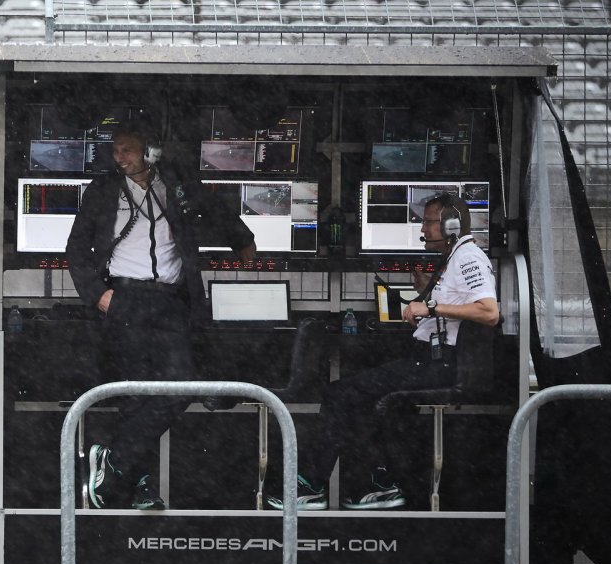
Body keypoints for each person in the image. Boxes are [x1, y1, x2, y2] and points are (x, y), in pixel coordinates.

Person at [65, 118, 256, 510]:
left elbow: (212, 207)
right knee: (138, 395)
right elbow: (76, 249)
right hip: (125, 299)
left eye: (128, 150)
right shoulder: (103, 191)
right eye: (115, 150)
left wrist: (243, 240)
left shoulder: (174, 184)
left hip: (172, 300)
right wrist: (99, 296)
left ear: (149, 151)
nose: (119, 158)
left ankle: (115, 461)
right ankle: (141, 487)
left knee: (179, 386)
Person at [276, 192, 499, 511]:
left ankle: (315, 486)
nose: (422, 229)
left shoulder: (468, 257)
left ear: (451, 225)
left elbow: (489, 312)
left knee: (341, 395)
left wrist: (430, 306)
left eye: (428, 222)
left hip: (441, 365)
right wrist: (426, 294)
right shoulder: (453, 259)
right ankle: (373, 484)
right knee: (358, 398)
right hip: (429, 357)